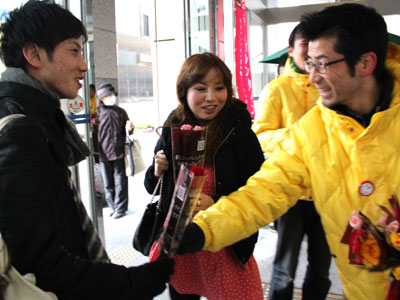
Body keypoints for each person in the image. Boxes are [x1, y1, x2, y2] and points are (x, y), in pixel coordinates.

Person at [177, 3, 400, 300]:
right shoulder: (313, 129)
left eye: (323, 64)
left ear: (365, 63)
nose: (313, 76)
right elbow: (264, 191)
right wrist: (204, 229)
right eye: (309, 63)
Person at [0, 1, 173, 300]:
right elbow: (44, 265)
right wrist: (137, 282)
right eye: (74, 50)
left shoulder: (33, 117)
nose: (84, 65)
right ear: (33, 54)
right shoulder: (20, 130)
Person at [144, 52, 265, 300]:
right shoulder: (173, 128)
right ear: (184, 92)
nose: (211, 98)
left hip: (226, 242)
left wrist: (218, 202)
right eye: (201, 88)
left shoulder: (239, 131)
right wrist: (157, 170)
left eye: (219, 88)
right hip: (183, 242)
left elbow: (259, 190)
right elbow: (151, 186)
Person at [252, 23, 331, 300]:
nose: (310, 53)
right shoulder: (276, 89)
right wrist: (298, 136)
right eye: (304, 45)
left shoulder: (331, 84)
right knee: (284, 269)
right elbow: (259, 135)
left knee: (321, 270)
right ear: (291, 50)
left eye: (316, 46)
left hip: (327, 192)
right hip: (290, 194)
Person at [97, 82, 133, 219]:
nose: (112, 97)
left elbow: (129, 129)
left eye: (113, 95)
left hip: (119, 152)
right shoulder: (98, 114)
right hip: (103, 154)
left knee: (121, 182)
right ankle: (112, 207)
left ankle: (121, 208)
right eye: (109, 95)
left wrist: (130, 128)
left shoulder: (120, 112)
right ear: (102, 98)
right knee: (108, 183)